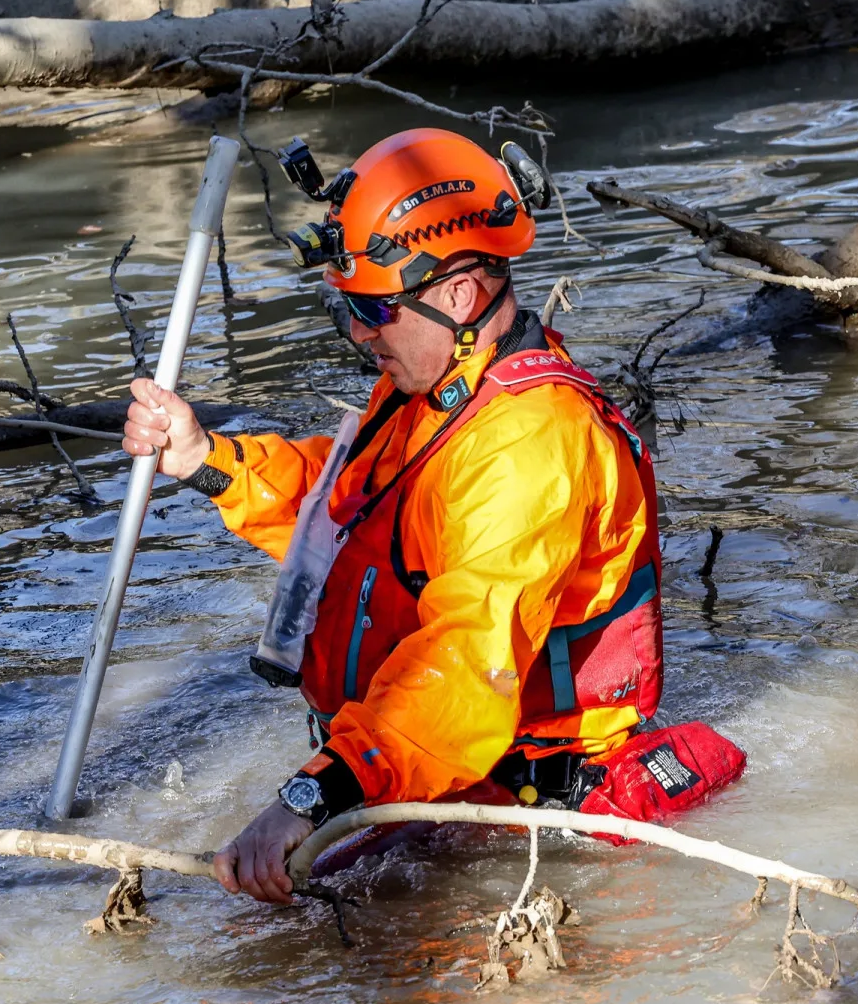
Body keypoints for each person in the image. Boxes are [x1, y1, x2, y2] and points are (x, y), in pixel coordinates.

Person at [121, 127, 664, 904]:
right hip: (435, 788)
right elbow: (348, 516)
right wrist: (208, 457)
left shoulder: (529, 442)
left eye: (375, 310)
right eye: (346, 310)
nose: (361, 335)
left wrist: (308, 798)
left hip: (527, 825)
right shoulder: (436, 387)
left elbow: (467, 662)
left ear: (458, 292)